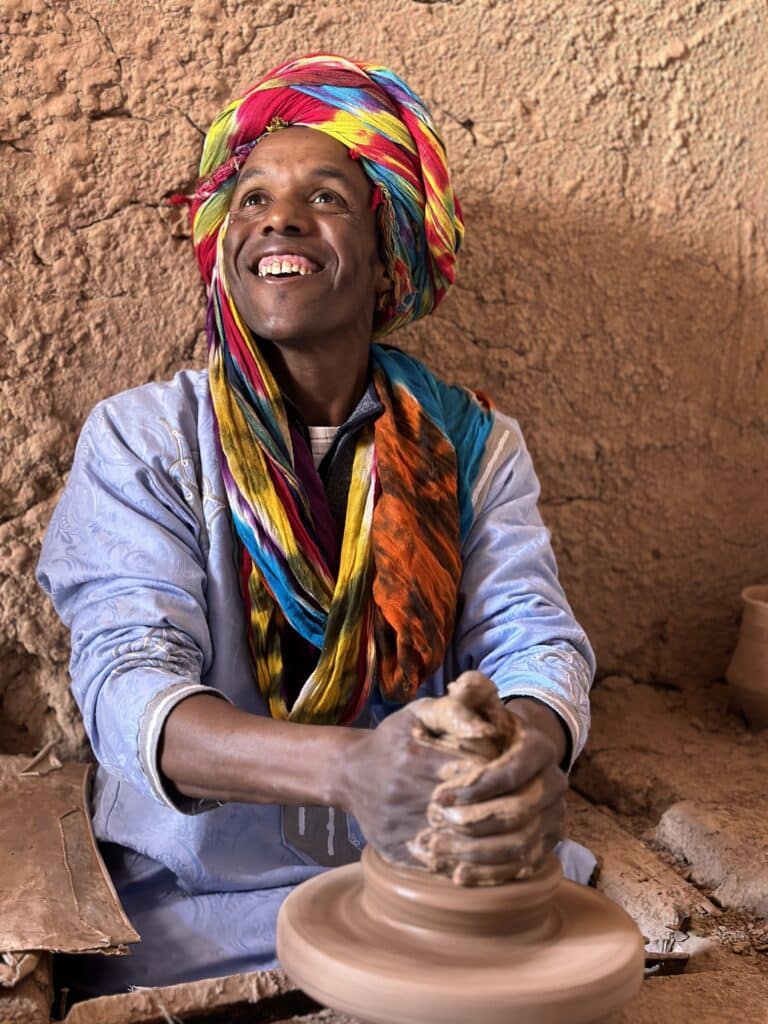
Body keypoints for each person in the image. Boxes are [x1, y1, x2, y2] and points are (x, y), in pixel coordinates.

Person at [37, 54, 595, 997]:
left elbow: (530, 639)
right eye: (251, 198)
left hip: (433, 876)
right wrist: (351, 767)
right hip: (193, 893)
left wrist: (530, 748)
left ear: (385, 254)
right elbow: (128, 691)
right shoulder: (145, 440)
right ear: (225, 249)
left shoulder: (473, 444)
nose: (279, 219)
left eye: (325, 197)